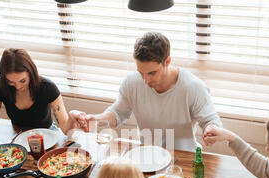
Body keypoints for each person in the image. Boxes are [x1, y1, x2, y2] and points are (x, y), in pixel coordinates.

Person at [71, 32, 222, 151]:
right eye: (140, 72)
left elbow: (211, 121)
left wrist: (211, 129)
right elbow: (117, 113)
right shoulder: (131, 82)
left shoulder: (193, 87)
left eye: (152, 73)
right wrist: (94, 120)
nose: (145, 80)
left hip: (185, 156)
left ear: (167, 62)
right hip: (147, 154)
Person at [0, 48, 82, 136]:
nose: (18, 86)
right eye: (11, 82)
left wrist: (72, 118)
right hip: (18, 135)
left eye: (22, 80)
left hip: (47, 135)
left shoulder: (48, 88)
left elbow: (65, 129)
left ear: (31, 73)